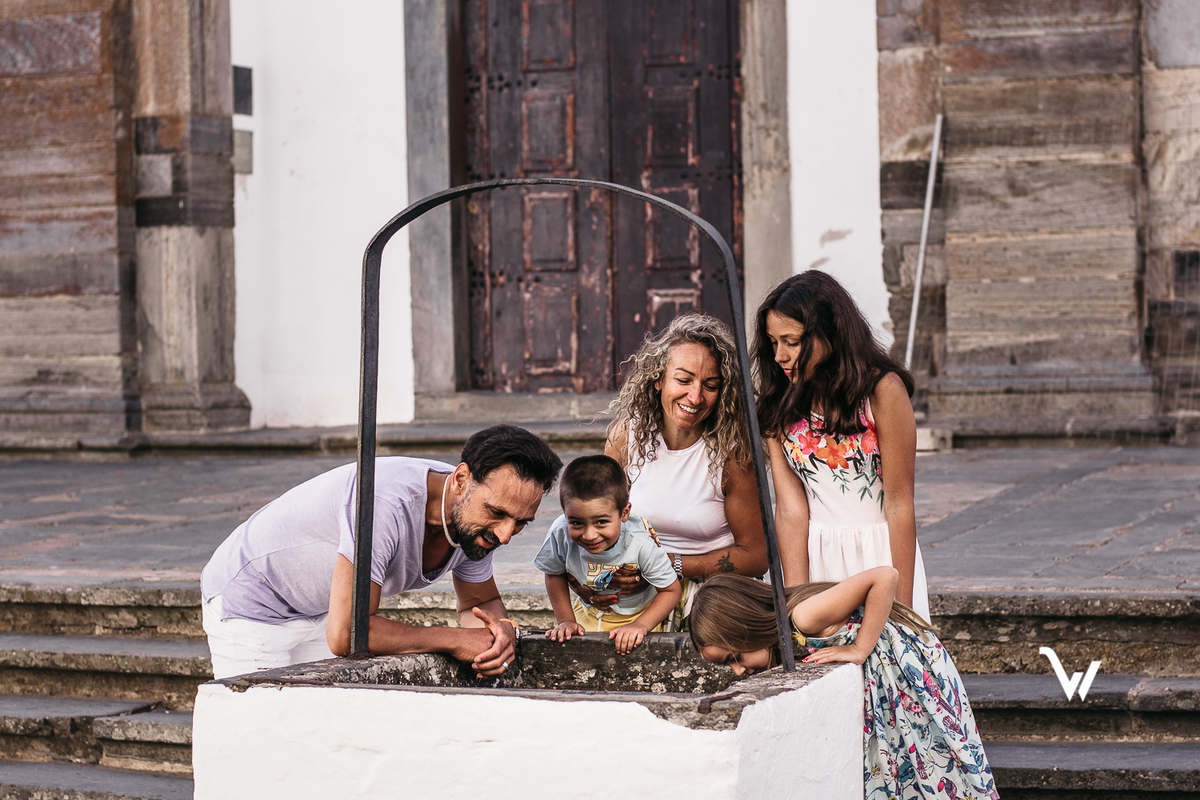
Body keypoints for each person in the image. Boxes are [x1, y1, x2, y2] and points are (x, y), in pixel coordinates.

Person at [200, 424, 562, 680]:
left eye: (520, 522)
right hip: (252, 603)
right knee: (258, 741)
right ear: (462, 479)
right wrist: (454, 640)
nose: (506, 534)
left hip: (320, 611)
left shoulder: (475, 520)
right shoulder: (385, 503)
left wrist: (497, 636)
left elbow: (476, 606)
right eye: (498, 514)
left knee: (320, 736)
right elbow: (348, 634)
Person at [690, 570, 999, 800]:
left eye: (736, 655)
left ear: (748, 625)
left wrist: (859, 649)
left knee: (937, 754)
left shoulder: (802, 616)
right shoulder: (792, 630)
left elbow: (884, 577)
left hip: (907, 672)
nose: (738, 669)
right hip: (900, 679)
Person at [754, 271, 930, 621]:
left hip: (880, 554)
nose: (779, 356)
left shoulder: (882, 391)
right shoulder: (779, 404)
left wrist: (904, 608)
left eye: (791, 341)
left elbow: (898, 503)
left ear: (829, 332)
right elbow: (790, 510)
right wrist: (796, 599)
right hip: (815, 555)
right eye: (774, 343)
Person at [597, 313, 768, 629]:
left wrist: (669, 564)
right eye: (684, 379)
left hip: (712, 600)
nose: (695, 397)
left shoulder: (732, 457)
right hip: (635, 590)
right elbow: (598, 520)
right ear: (659, 378)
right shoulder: (625, 438)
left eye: (711, 385)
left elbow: (757, 555)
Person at [535, 455, 681, 654]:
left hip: (639, 613)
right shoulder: (559, 533)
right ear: (565, 513)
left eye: (601, 522)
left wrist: (641, 625)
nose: (589, 535)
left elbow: (671, 590)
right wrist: (566, 620)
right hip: (587, 610)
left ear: (624, 513)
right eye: (576, 522)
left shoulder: (639, 542)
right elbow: (553, 572)